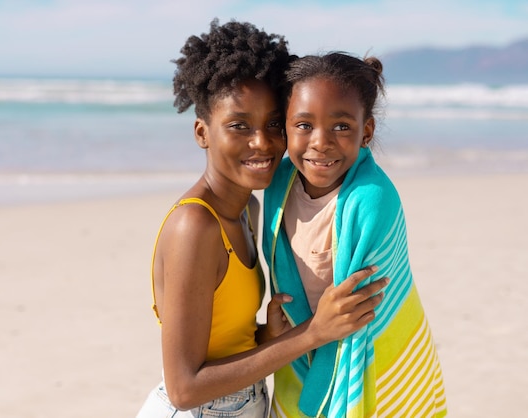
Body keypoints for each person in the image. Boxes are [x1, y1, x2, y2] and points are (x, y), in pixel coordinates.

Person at [136, 21, 389, 418]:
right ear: (202, 132)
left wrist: (264, 336)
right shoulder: (195, 227)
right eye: (239, 126)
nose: (262, 141)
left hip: (247, 402)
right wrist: (314, 333)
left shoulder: (251, 210)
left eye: (274, 124)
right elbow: (184, 388)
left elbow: (221, 343)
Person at [262, 52, 448, 417]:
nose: (320, 142)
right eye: (303, 125)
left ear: (367, 131)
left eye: (342, 126)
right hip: (302, 357)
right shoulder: (278, 184)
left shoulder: (372, 201)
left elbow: (357, 314)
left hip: (361, 362)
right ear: (284, 126)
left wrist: (317, 392)